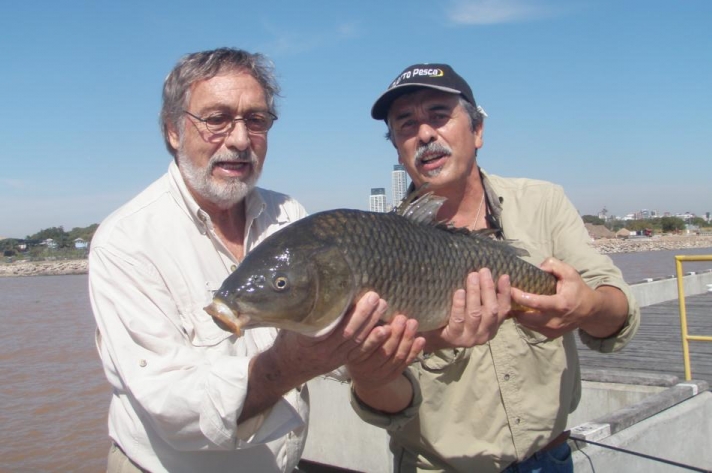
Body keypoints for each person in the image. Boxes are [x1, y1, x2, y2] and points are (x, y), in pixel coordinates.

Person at [88, 48, 425, 473]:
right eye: (216, 119)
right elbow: (171, 408)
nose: (240, 139)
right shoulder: (126, 241)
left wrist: (387, 347)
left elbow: (336, 346)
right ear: (173, 130)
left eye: (256, 120)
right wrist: (286, 366)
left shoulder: (289, 217)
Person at [350, 63, 641, 472]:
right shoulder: (377, 248)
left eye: (438, 115)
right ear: (397, 148)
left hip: (552, 459)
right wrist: (408, 351)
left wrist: (588, 307)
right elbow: (384, 405)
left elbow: (619, 317)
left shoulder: (544, 202)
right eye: (406, 125)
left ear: (478, 131)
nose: (425, 134)